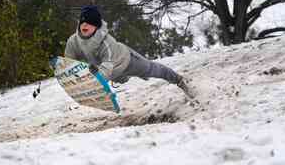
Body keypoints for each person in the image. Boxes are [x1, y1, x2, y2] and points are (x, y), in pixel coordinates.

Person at [65, 5, 196, 98]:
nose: (84, 25)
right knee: (102, 73)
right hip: (108, 72)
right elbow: (69, 61)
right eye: (82, 22)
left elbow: (107, 68)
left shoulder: (106, 42)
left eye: (89, 23)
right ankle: (118, 81)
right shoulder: (73, 41)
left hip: (126, 61)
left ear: (97, 25)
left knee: (152, 69)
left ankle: (179, 80)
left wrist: (93, 85)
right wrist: (72, 76)